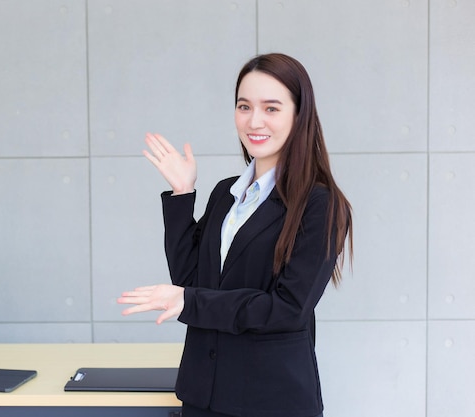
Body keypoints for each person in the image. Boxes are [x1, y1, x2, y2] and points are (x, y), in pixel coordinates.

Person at [117, 53, 353, 417]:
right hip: (203, 395)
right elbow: (191, 281)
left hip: (270, 402)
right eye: (244, 106)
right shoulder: (226, 193)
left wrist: (190, 302)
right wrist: (183, 194)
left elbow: (288, 310)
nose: (254, 120)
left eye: (271, 108)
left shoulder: (319, 204)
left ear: (299, 114)